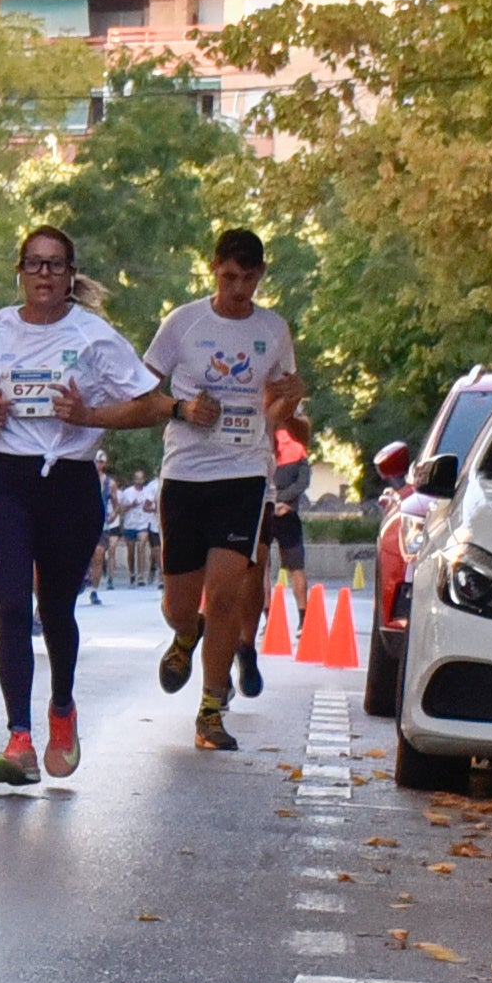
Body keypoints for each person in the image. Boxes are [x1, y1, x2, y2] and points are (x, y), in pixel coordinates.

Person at [0, 226, 172, 785]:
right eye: (35, 264)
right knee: (11, 604)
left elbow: (150, 405)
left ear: (71, 275)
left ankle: (62, 709)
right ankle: (19, 739)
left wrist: (89, 417)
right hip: (5, 479)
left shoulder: (95, 336)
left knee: (55, 610)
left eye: (56, 265)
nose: (45, 275)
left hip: (69, 484)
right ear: (20, 271)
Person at [146, 229, 307, 749]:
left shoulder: (273, 330)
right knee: (180, 603)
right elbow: (142, 393)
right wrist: (181, 408)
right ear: (214, 269)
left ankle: (211, 710)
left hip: (244, 475)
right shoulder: (184, 323)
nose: (238, 288)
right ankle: (183, 634)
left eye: (248, 277)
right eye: (228, 276)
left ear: (261, 274)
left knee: (225, 599)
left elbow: (285, 420)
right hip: (186, 475)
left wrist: (289, 402)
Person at [255, 424, 315, 646]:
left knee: (263, 568)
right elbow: (303, 482)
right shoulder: (298, 446)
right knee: (296, 567)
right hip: (288, 513)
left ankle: (268, 620)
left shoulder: (263, 441)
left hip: (265, 511)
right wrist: (286, 501)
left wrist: (272, 499)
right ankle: (303, 620)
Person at [119, 469, 159, 585]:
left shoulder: (148, 491)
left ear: (144, 479)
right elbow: (121, 509)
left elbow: (150, 504)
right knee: (131, 550)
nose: (139, 481)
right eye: (137, 479)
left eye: (141, 479)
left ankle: (141, 575)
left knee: (141, 545)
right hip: (130, 524)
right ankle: (132, 572)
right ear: (134, 480)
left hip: (143, 523)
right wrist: (131, 505)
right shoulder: (127, 492)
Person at [89, 453, 118, 603]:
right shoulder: (83, 479)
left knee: (99, 554)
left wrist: (114, 514)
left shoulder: (109, 483)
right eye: (96, 461)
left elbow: (116, 502)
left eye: (101, 462)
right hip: (82, 522)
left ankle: (94, 590)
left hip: (102, 523)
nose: (98, 465)